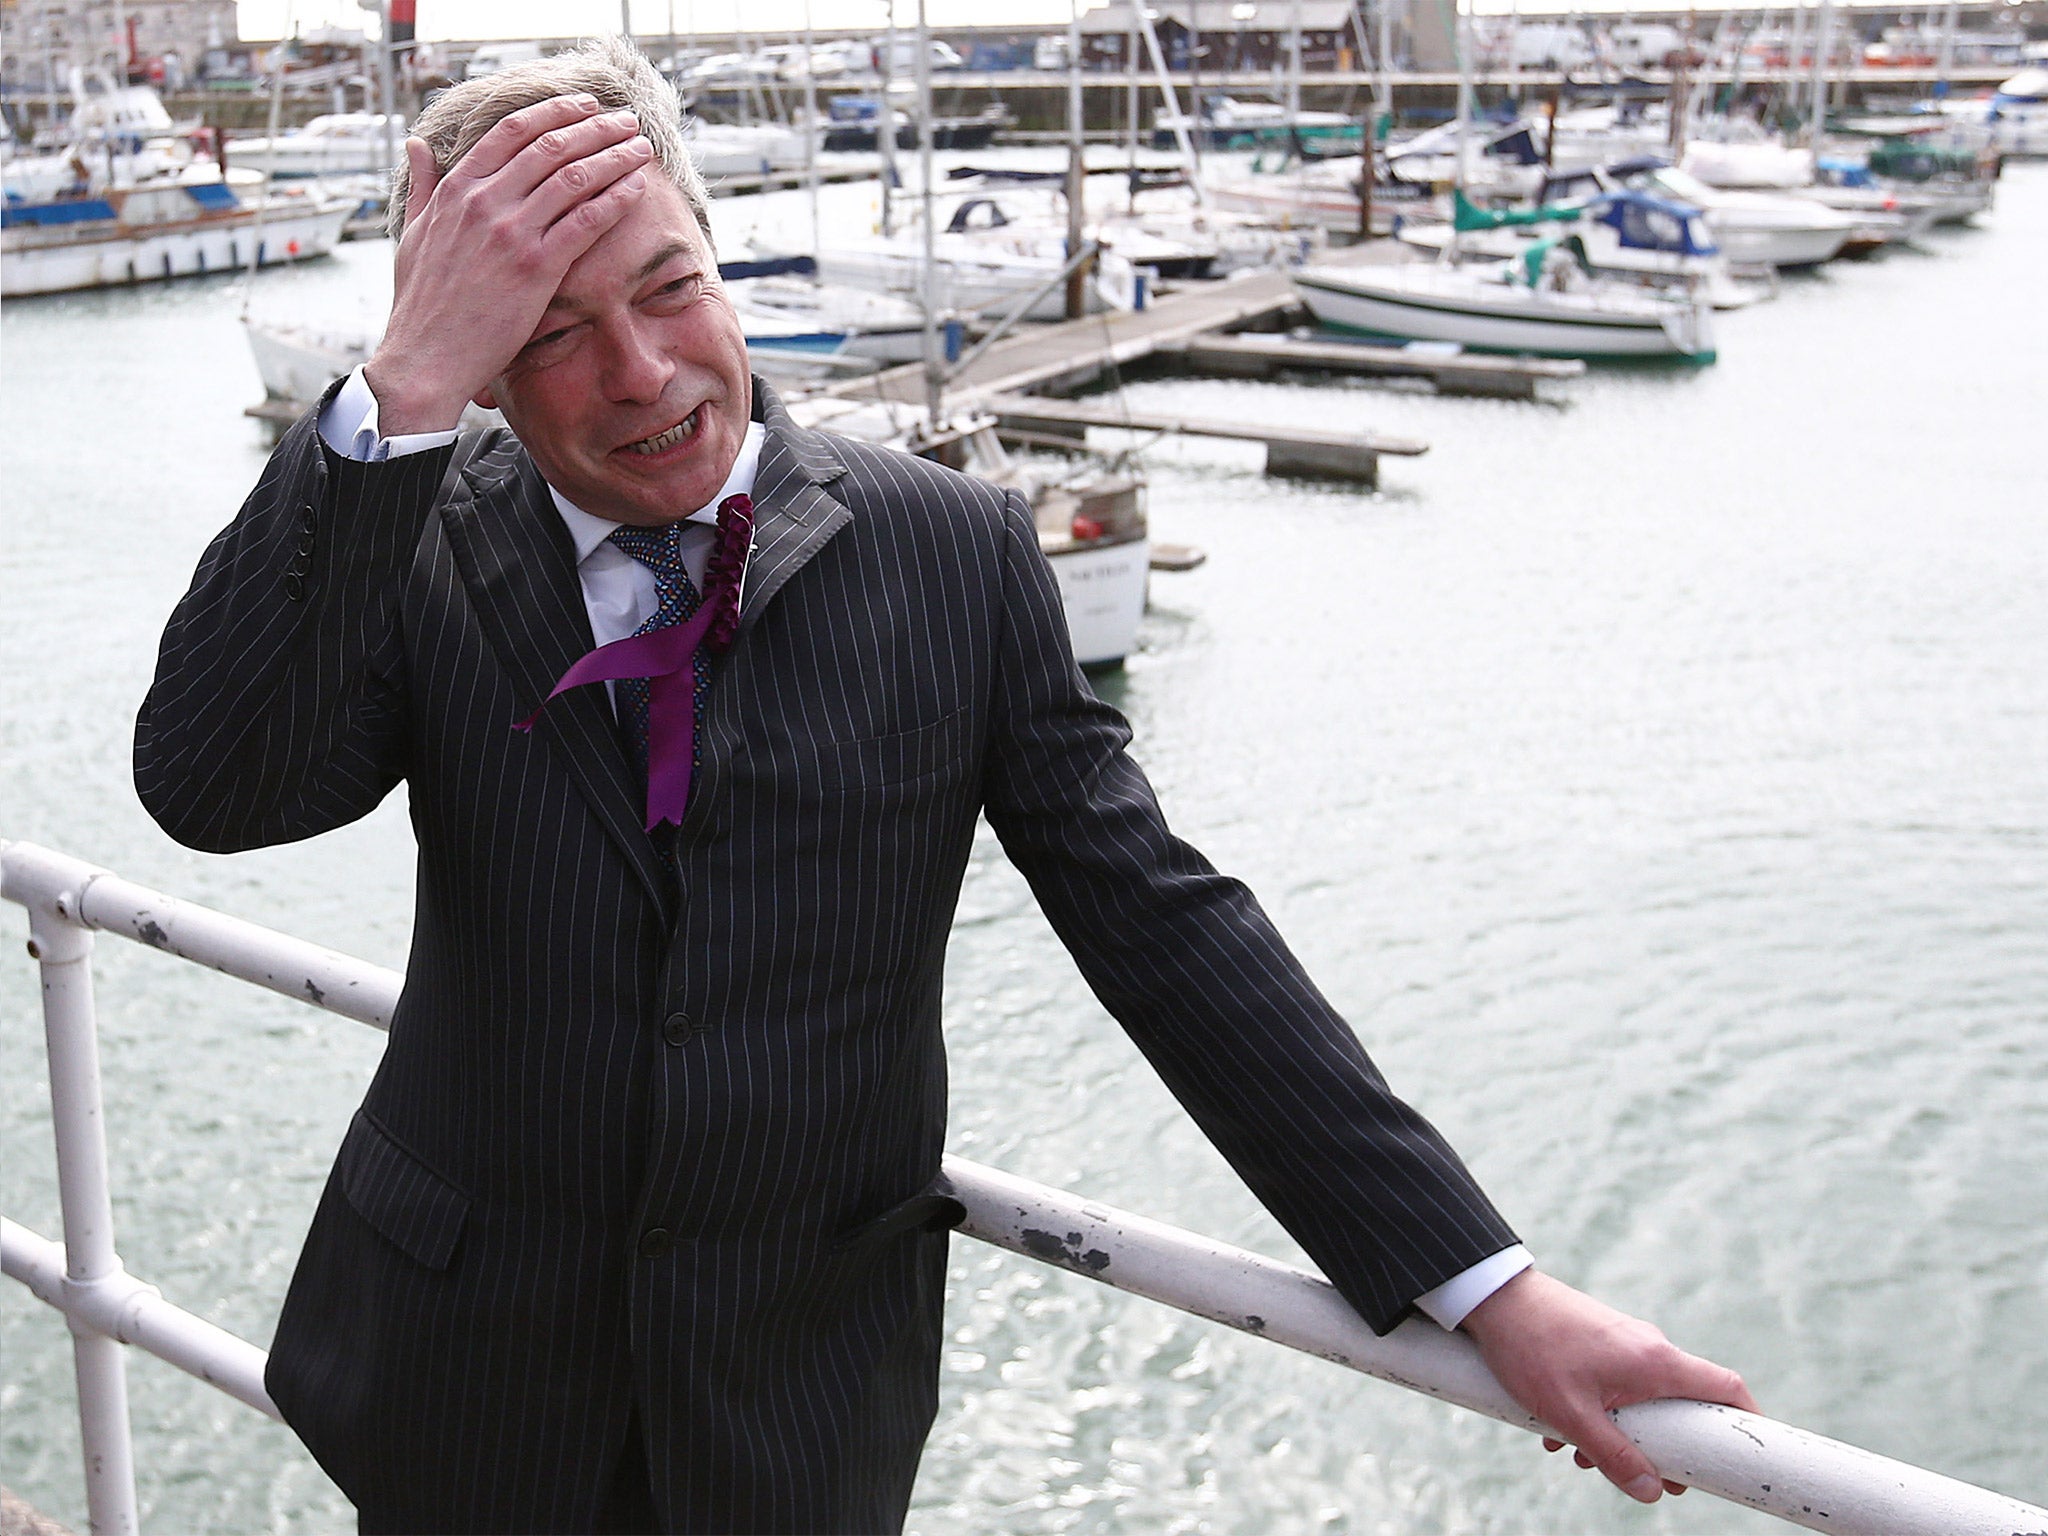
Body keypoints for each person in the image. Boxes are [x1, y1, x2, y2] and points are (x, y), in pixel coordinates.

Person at [134, 39, 1753, 1536]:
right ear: (480, 367)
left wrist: (1484, 1285)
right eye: (549, 333)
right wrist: (398, 394)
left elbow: (1159, 924)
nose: (639, 372)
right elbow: (214, 788)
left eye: (669, 287)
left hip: (798, 1396)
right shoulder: (409, 532)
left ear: (722, 255)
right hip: (458, 1371)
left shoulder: (955, 549)